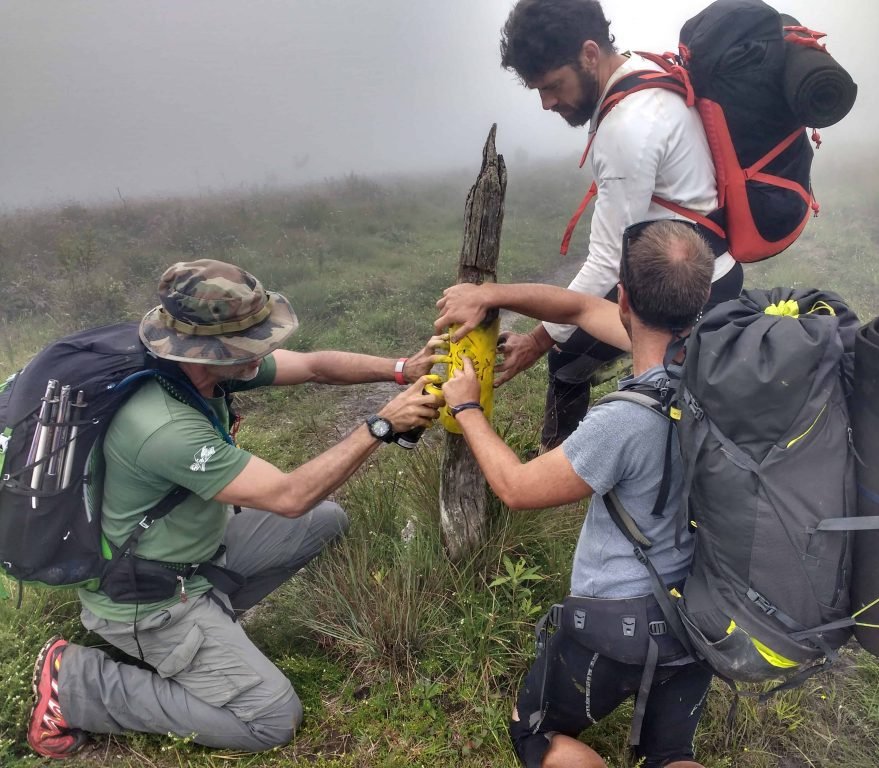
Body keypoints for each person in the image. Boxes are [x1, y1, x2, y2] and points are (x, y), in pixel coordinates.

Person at [26, 258, 444, 758]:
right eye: (250, 344)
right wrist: (380, 426)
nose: (264, 352)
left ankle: (211, 629)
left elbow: (312, 366)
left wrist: (401, 369)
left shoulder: (192, 370)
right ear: (203, 350)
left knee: (326, 521)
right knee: (270, 720)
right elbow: (289, 496)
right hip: (148, 601)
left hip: (192, 559)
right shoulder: (164, 428)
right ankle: (77, 684)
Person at [435, 219, 714, 768]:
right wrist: (490, 294)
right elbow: (580, 309)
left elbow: (516, 487)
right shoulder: (723, 367)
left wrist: (467, 406)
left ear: (625, 296)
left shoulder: (621, 424)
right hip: (700, 616)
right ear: (702, 297)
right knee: (671, 754)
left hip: (617, 626)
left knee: (534, 733)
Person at [495, 0, 742, 450]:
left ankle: (563, 464)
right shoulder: (639, 75)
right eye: (538, 90)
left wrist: (535, 341)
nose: (547, 103)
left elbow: (606, 262)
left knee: (571, 360)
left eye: (552, 85)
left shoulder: (627, 127)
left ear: (590, 54)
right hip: (702, 270)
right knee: (667, 386)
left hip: (691, 290)